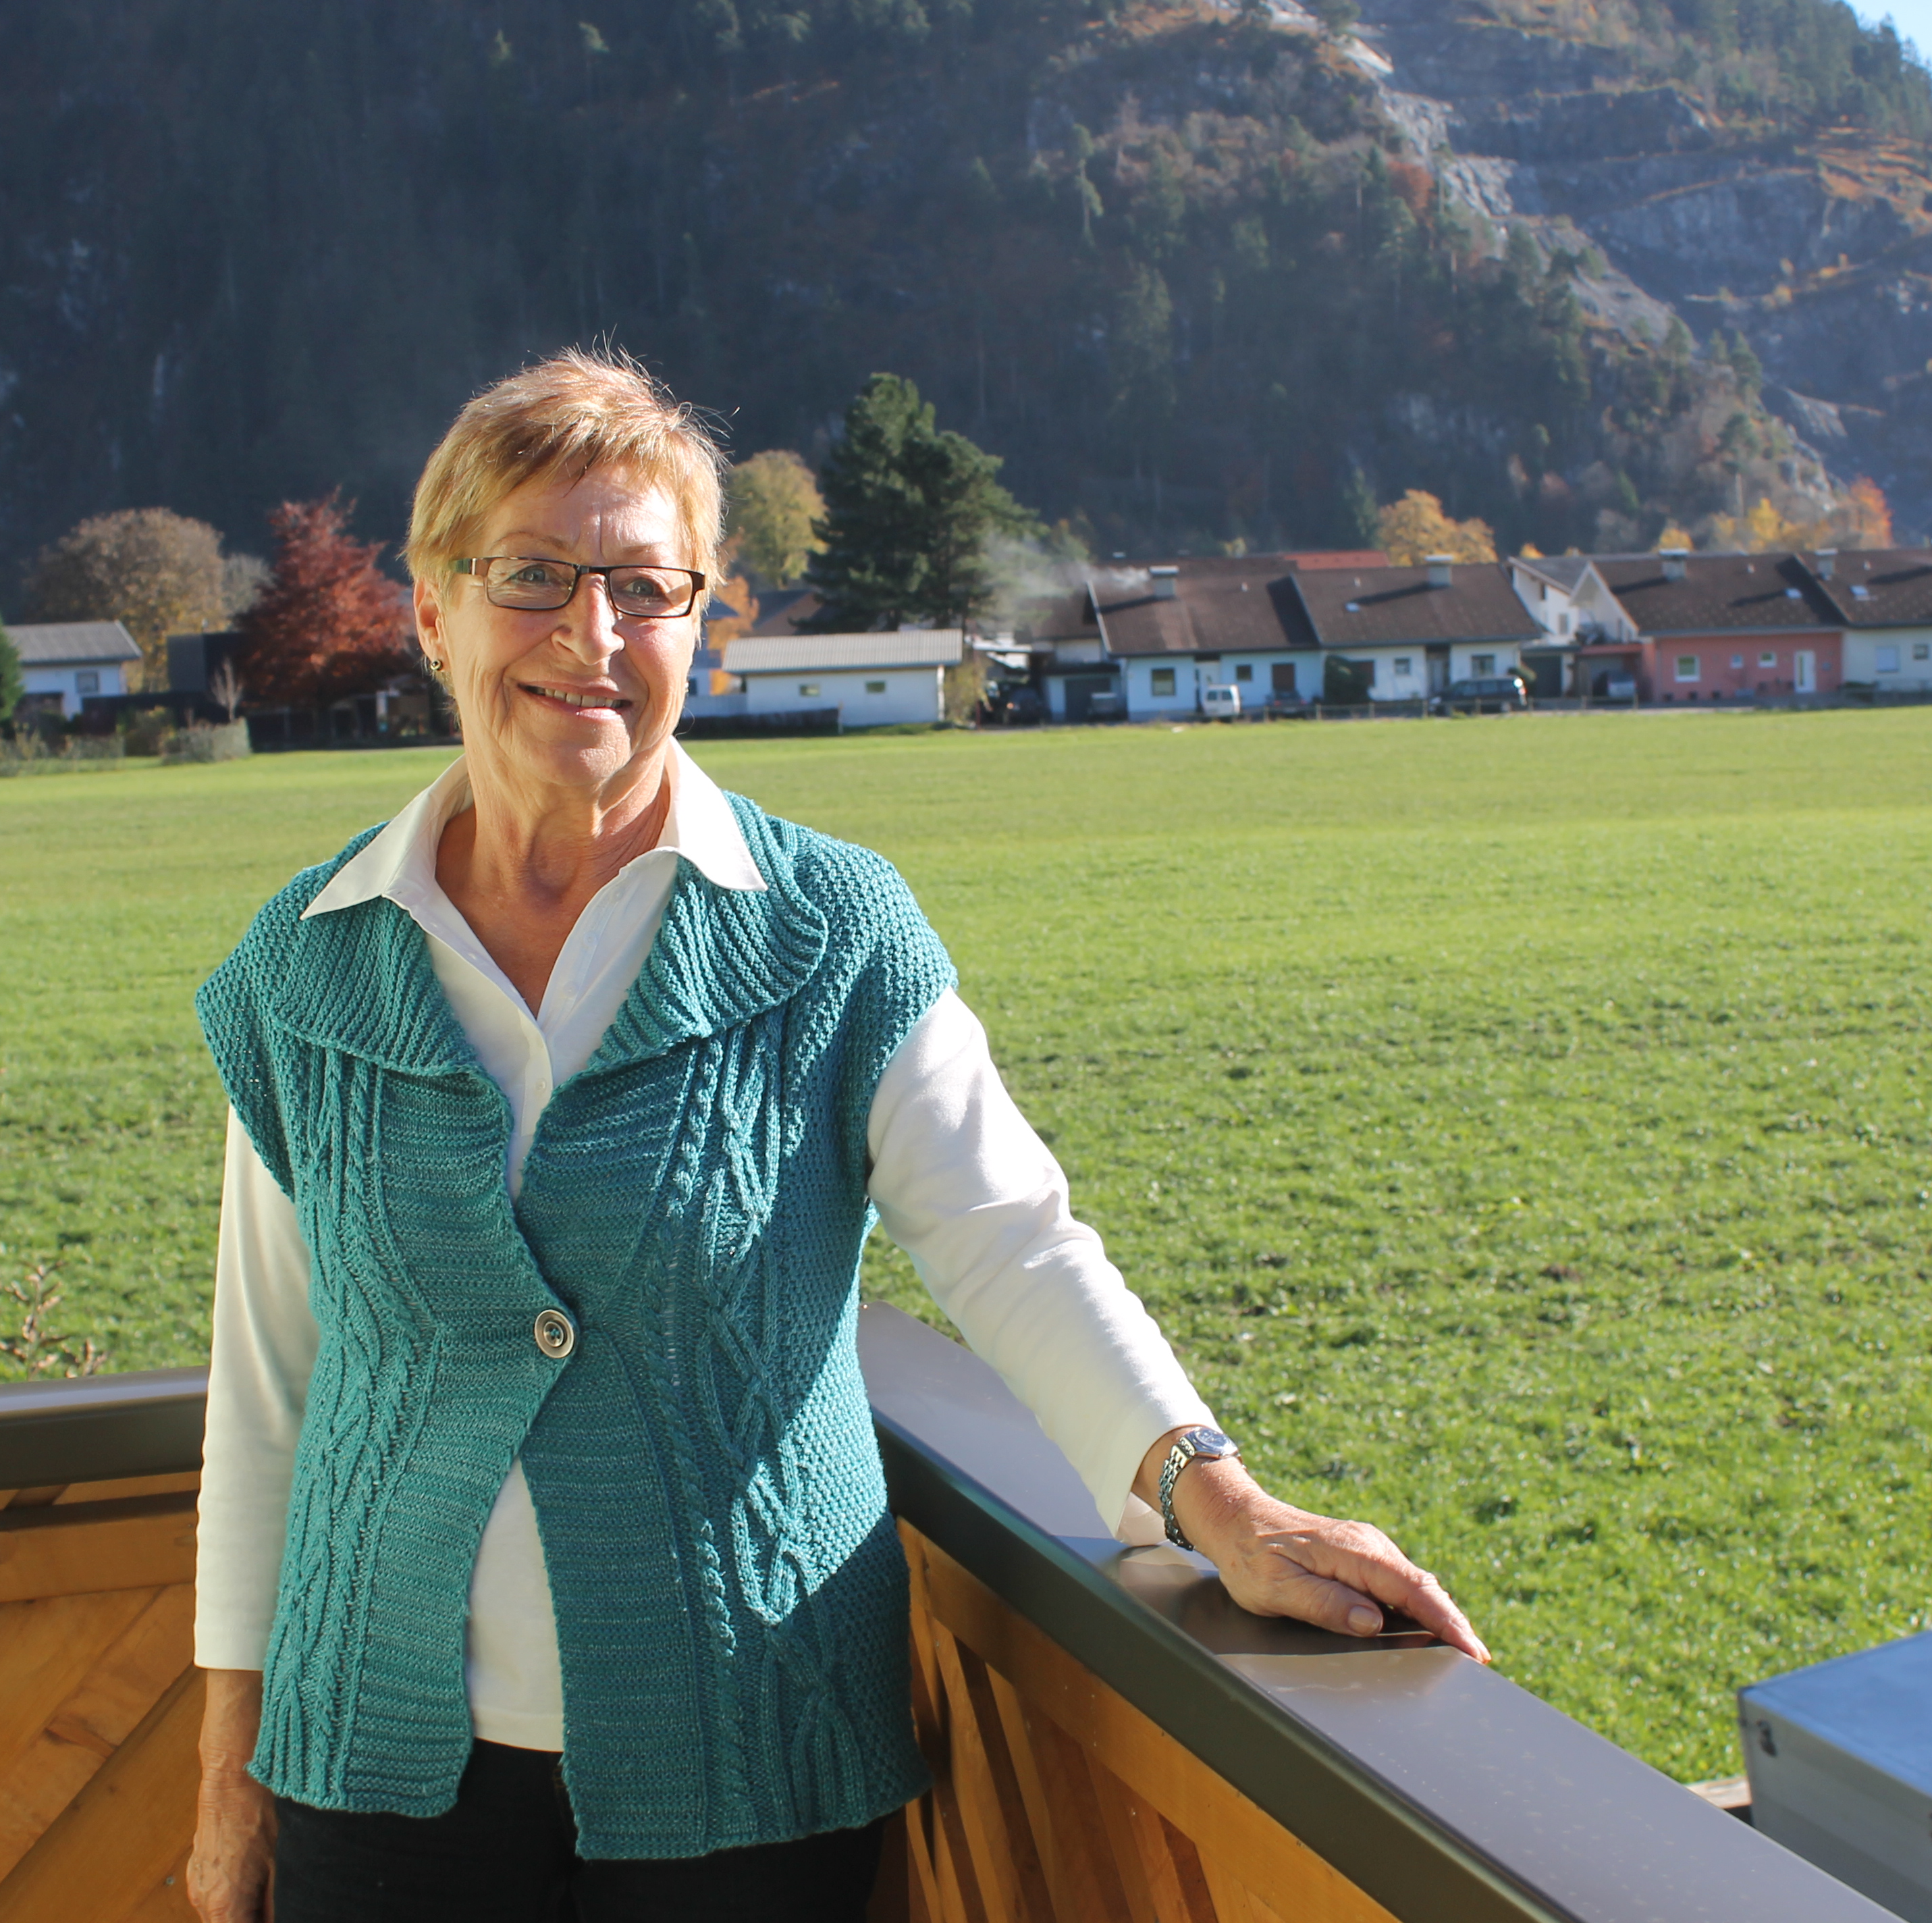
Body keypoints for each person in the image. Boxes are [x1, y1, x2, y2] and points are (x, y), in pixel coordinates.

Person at [188, 350, 1488, 1923]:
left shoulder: (829, 932)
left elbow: (1012, 1243)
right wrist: (229, 1772)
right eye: (531, 574)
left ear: (703, 622)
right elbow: (268, 1399)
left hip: (745, 1754)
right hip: (373, 1772)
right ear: (433, 610)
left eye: (645, 586)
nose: (592, 634)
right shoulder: (309, 965)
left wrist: (1221, 1499)